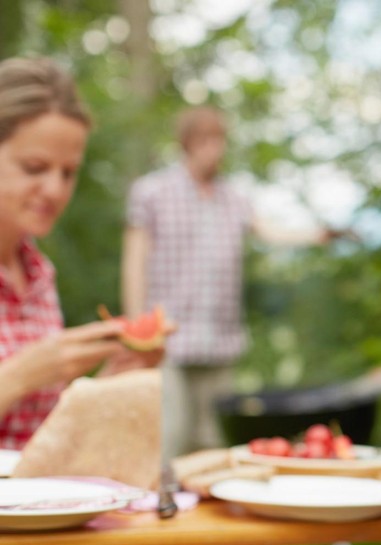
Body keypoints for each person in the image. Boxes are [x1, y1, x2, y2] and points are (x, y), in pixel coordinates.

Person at [0, 56, 309, 545]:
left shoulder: (37, 273)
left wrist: (110, 385)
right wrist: (23, 372)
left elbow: (35, 440)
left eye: (68, 172)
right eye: (34, 167)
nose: (55, 190)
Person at [122, 105, 353, 462]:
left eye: (219, 139)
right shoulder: (152, 192)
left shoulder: (234, 198)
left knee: (213, 439)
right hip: (167, 336)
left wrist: (322, 234)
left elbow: (271, 233)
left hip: (218, 337)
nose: (215, 148)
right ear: (187, 143)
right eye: (206, 140)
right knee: (172, 432)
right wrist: (135, 325)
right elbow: (135, 260)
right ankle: (160, 505)